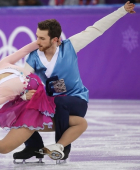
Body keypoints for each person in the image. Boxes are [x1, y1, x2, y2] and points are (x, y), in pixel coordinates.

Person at [13, 1, 136, 162]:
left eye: (42, 38)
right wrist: (21, 94)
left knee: (60, 101)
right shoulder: (34, 57)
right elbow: (23, 78)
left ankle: (62, 148)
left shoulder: (69, 47)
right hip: (52, 103)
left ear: (55, 39)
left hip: (77, 100)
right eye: (37, 36)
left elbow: (96, 29)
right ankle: (33, 146)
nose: (37, 41)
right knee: (19, 106)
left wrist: (122, 10)